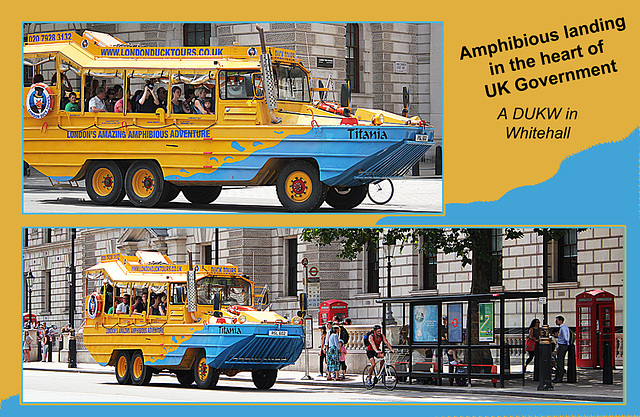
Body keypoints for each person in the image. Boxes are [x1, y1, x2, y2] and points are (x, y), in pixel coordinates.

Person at [553, 315, 570, 382]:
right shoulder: (565, 327)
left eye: (556, 320)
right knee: (559, 361)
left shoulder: (562, 328)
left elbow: (566, 337)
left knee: (560, 362)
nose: (555, 321)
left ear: (560, 321)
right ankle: (558, 376)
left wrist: (566, 342)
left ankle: (559, 377)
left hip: (562, 345)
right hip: (563, 345)